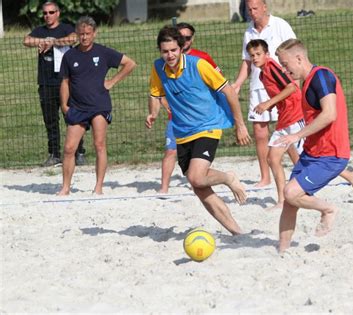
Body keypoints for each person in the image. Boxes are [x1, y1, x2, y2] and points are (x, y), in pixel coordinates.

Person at [146, 26, 252, 235]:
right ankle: (237, 232)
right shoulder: (158, 67)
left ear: (181, 48)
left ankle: (228, 177)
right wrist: (153, 113)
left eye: (173, 50)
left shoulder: (199, 65)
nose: (170, 55)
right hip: (182, 132)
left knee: (196, 177)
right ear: (160, 51)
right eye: (165, 51)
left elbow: (229, 91)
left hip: (208, 127)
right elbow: (155, 93)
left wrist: (240, 125)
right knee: (200, 188)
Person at [274, 39, 352, 253]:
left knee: (290, 193)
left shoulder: (321, 76)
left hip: (331, 155)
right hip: (313, 152)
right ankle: (282, 251)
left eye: (285, 63)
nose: (284, 69)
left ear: (299, 58)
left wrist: (296, 135)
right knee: (290, 202)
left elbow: (330, 114)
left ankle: (328, 209)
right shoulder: (306, 81)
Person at [57, 16, 136, 195]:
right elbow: (65, 82)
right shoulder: (69, 55)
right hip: (76, 107)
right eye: (81, 34)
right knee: (69, 148)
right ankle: (65, 187)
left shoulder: (103, 52)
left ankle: (98, 187)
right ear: (76, 34)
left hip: (99, 106)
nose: (84, 37)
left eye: (87, 33)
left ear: (94, 33)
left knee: (99, 144)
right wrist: (64, 105)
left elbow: (130, 64)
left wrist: (112, 81)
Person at [232, 0, 297, 187]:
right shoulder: (248, 31)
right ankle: (265, 177)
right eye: (249, 9)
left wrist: (295, 77)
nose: (252, 12)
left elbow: (294, 49)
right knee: (260, 134)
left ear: (264, 7)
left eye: (255, 8)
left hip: (280, 87)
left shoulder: (280, 24)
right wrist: (237, 84)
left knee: (287, 131)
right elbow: (247, 62)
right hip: (258, 87)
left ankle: (298, 170)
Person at [157, 22, 222, 194]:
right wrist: (160, 106)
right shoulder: (162, 64)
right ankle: (163, 188)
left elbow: (220, 82)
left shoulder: (201, 59)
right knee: (170, 151)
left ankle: (221, 178)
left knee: (196, 175)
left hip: (200, 121)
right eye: (181, 37)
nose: (184, 41)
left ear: (191, 39)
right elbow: (158, 90)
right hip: (177, 118)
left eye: (187, 37)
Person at [23, 1, 86, 167]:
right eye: (45, 13)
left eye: (51, 12)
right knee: (50, 120)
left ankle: (79, 152)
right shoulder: (40, 31)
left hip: (65, 81)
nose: (48, 16)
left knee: (72, 117)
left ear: (58, 13)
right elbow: (27, 40)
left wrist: (53, 42)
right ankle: (54, 154)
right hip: (46, 82)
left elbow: (74, 38)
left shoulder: (65, 28)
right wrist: (42, 41)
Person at [246, 39, 304, 210]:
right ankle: (282, 200)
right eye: (252, 56)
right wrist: (270, 104)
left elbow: (292, 87)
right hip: (285, 117)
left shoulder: (271, 67)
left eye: (258, 54)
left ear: (267, 54)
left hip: (295, 115)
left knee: (310, 159)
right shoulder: (263, 73)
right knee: (273, 158)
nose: (255, 58)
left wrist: (267, 103)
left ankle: (351, 177)